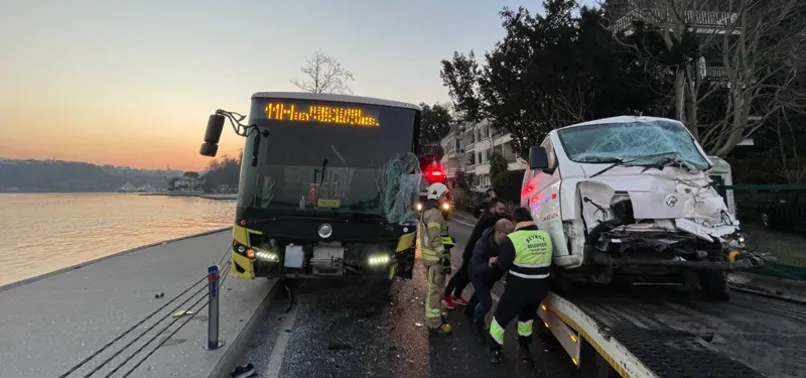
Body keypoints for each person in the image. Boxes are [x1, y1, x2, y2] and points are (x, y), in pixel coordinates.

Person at [487, 207, 553, 364]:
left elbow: (502, 265)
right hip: (539, 290)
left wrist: (494, 264)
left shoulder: (513, 239)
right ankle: (524, 349)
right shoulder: (545, 237)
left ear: (515, 221)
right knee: (526, 320)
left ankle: (495, 351)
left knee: (500, 320)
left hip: (518, 290)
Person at [444, 197, 508, 310]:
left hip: (475, 251)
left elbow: (476, 212)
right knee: (462, 274)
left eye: (503, 209)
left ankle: (457, 295)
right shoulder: (490, 218)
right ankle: (446, 296)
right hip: (472, 251)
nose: (502, 212)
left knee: (468, 275)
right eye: (500, 209)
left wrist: (485, 202)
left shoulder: (487, 214)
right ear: (493, 208)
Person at [468, 218, 515, 342]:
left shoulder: (506, 244)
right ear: (498, 233)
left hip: (491, 276)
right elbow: (475, 265)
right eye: (508, 235)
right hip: (478, 275)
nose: (510, 238)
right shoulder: (482, 244)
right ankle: (478, 325)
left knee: (480, 294)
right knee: (486, 302)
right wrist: (489, 265)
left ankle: (469, 311)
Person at [420, 182, 453, 335]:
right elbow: (435, 239)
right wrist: (444, 257)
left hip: (432, 259)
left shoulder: (430, 211)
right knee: (435, 291)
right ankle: (434, 323)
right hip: (436, 260)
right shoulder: (434, 214)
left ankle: (436, 316)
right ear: (437, 195)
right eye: (443, 196)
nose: (445, 198)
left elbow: (437, 235)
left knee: (437, 290)